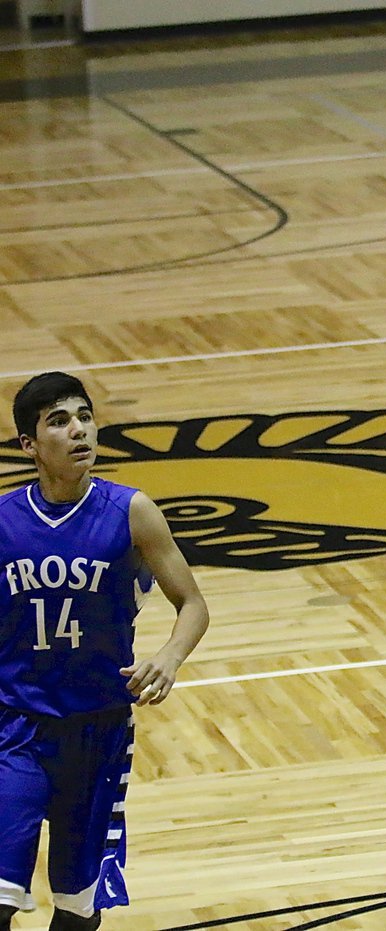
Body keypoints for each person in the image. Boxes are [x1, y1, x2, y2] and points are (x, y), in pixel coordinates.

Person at [0, 372, 210, 931]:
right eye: (59, 421)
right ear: (29, 445)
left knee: (75, 911)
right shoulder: (2, 520)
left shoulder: (132, 511)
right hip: (16, 725)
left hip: (98, 729)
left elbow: (192, 603)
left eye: (84, 417)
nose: (78, 431)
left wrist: (168, 657)